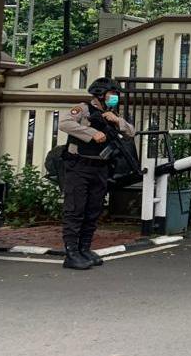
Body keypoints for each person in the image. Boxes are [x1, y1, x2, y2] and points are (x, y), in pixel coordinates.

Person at [57, 77, 135, 270]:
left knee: (93, 210)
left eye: (116, 95)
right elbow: (64, 123)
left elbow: (131, 133)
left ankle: (85, 249)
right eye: (112, 94)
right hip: (79, 167)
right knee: (76, 210)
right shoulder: (83, 109)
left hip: (100, 168)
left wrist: (117, 121)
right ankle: (72, 253)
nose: (115, 98)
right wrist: (91, 133)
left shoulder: (112, 114)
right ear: (100, 94)